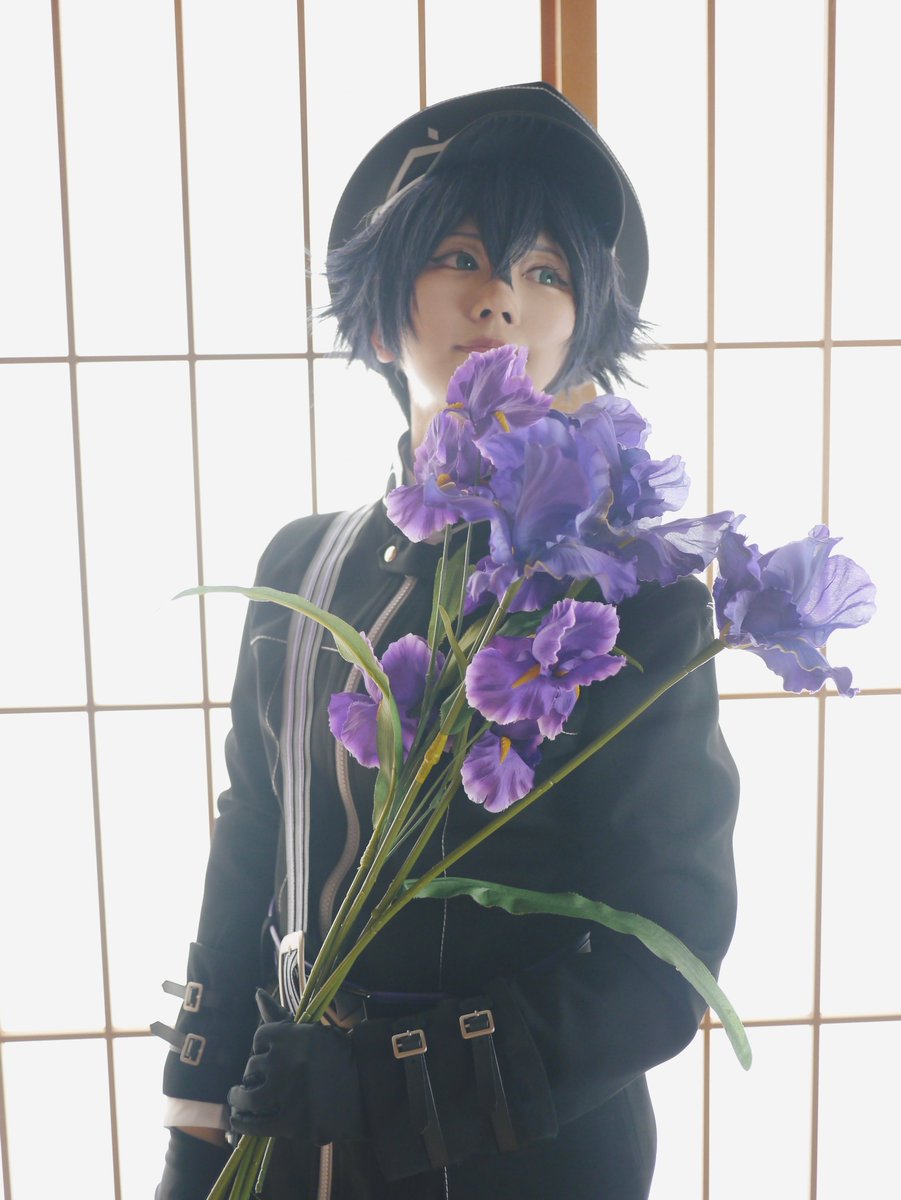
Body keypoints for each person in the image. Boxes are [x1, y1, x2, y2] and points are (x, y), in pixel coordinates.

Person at [154, 82, 739, 1200]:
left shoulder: (641, 600)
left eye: (546, 272)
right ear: (382, 321)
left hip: (532, 1156)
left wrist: (385, 1084)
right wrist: (197, 1123)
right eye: (460, 256)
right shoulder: (301, 565)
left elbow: (666, 954)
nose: (500, 298)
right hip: (287, 1131)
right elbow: (252, 836)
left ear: (581, 335)